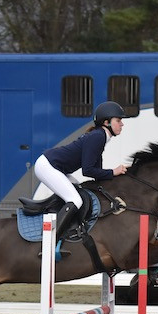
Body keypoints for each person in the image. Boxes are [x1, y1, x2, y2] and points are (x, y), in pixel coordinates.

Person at [33, 101, 129, 239]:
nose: (122, 124)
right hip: (47, 166)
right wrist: (113, 172)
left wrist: (117, 174)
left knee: (79, 191)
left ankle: (65, 229)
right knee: (75, 200)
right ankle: (50, 240)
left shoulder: (100, 136)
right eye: (118, 120)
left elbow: (97, 172)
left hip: (56, 167)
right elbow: (88, 170)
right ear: (107, 122)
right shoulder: (98, 137)